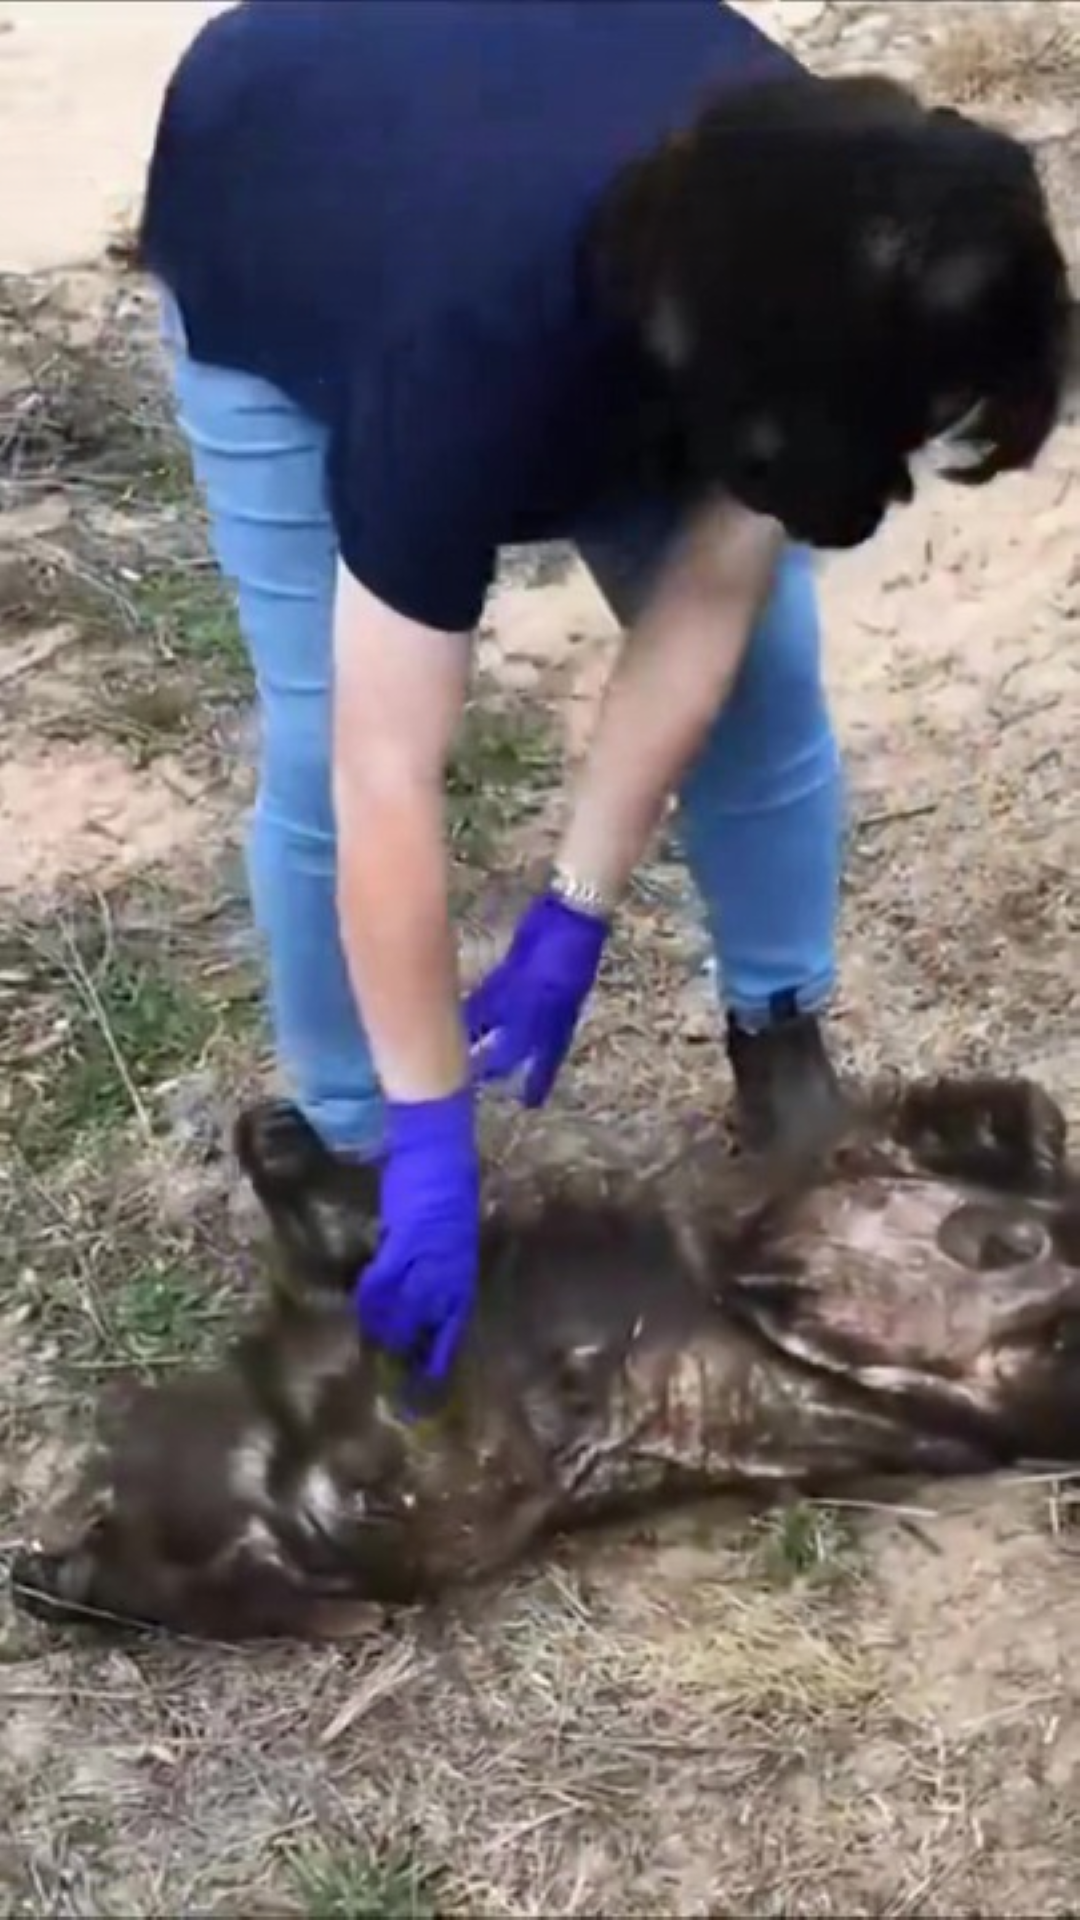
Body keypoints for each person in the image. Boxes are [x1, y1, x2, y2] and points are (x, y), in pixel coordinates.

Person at [139, 0, 1073, 1387]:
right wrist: (435, 1140)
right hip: (280, 196)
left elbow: (709, 602)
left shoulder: (837, 241)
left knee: (763, 690)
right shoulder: (463, 361)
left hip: (592, 231)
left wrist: (576, 903)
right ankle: (346, 1152)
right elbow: (382, 768)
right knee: (319, 734)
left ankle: (778, 1028)